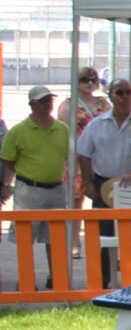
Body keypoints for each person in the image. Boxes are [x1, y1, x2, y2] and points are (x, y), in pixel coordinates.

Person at [76, 77, 131, 286]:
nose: (124, 97)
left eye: (128, 92)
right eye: (119, 93)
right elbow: (84, 153)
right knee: (102, 235)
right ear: (111, 97)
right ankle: (102, 282)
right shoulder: (96, 125)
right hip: (104, 186)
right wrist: (88, 181)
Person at [1, 88, 79, 291]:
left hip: (56, 188)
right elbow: (8, 159)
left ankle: (56, 278)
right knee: (25, 237)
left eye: (49, 100)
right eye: (42, 101)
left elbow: (69, 155)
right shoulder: (18, 131)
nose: (47, 103)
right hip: (29, 189)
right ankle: (26, 279)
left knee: (56, 237)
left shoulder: (62, 129)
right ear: (32, 105)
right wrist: (10, 182)